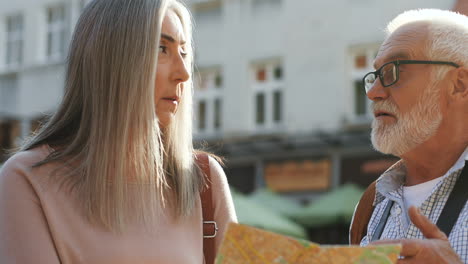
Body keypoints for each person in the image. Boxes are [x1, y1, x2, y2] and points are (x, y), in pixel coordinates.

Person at [0, 0, 237, 263]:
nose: (184, 73)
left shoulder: (204, 181)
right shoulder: (27, 181)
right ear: (112, 60)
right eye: (161, 49)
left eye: (184, 52)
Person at [350, 9, 468, 263]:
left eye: (394, 71)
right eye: (375, 76)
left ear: (459, 84)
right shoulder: (371, 204)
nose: (374, 92)